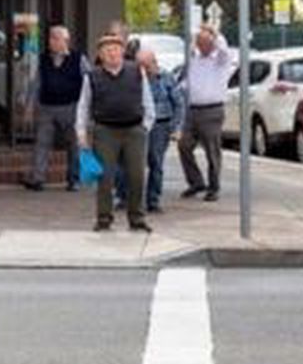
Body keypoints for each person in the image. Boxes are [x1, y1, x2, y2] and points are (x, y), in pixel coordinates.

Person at [76, 32, 155, 232]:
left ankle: (136, 218)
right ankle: (104, 219)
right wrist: (81, 134)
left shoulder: (137, 72)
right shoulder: (92, 77)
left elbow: (147, 101)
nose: (112, 54)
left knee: (137, 176)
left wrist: (145, 126)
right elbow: (83, 106)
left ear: (122, 52)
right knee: (105, 178)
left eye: (116, 50)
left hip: (134, 130)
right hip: (105, 131)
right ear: (101, 56)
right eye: (107, 51)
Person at [23, 25, 85, 192]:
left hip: (71, 106)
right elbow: (36, 83)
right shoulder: (43, 59)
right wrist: (29, 106)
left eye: (56, 38)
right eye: (51, 37)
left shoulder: (78, 59)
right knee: (41, 143)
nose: (51, 41)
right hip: (46, 107)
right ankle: (37, 178)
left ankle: (74, 179)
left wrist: (87, 109)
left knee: (73, 145)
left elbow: (88, 83)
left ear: (66, 41)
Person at [178, 25, 233, 202]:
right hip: (193, 110)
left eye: (205, 42)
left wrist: (214, 33)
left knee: (212, 150)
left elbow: (223, 48)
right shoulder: (194, 60)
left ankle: (214, 186)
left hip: (212, 110)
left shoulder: (220, 61)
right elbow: (185, 82)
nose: (201, 46)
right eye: (199, 43)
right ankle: (196, 182)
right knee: (184, 145)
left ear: (212, 44)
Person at [141, 47, 185, 215]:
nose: (143, 69)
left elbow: (179, 103)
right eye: (140, 65)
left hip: (160, 125)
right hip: (141, 124)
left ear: (154, 62)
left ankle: (153, 200)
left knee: (155, 162)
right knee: (132, 164)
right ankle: (126, 197)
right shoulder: (136, 77)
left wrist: (176, 128)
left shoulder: (166, 78)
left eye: (146, 65)